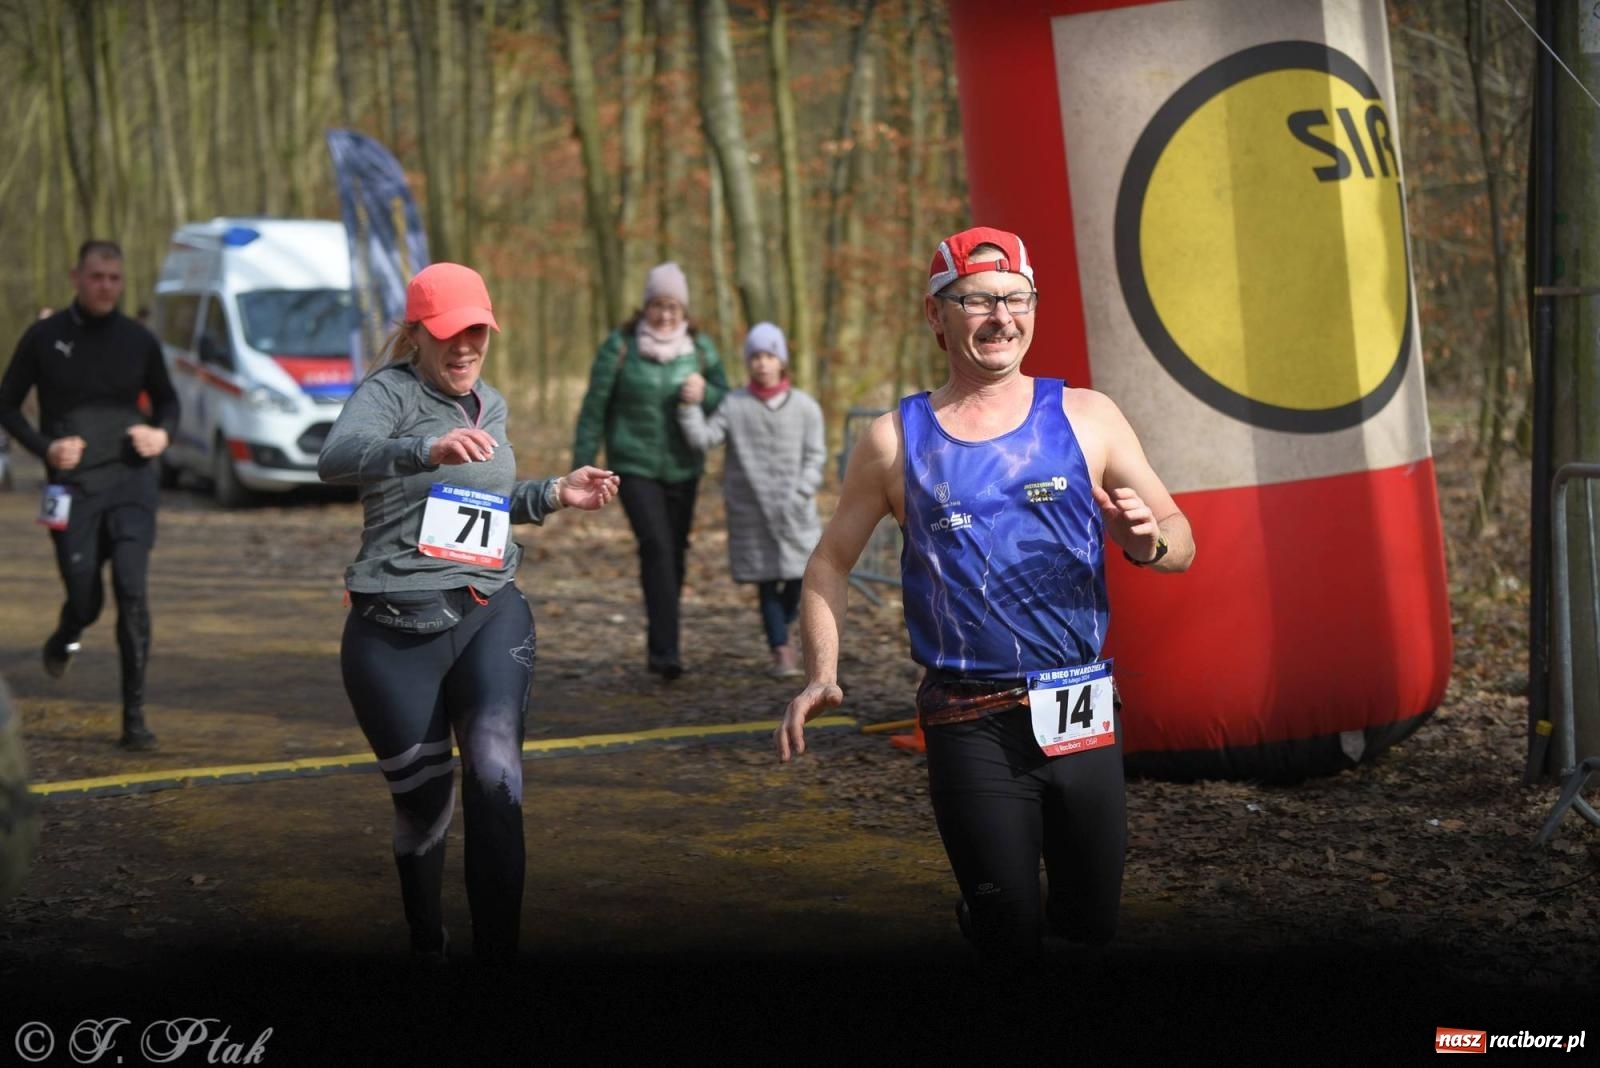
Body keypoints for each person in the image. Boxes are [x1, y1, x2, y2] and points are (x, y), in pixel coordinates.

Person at [775, 226, 1195, 961]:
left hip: (1080, 713)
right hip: (969, 720)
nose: (1002, 316)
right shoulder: (894, 441)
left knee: (1088, 929)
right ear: (936, 315)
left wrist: (1145, 543)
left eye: (1016, 298)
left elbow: (1179, 541)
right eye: (976, 300)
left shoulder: (1087, 416)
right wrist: (822, 672)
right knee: (1011, 934)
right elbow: (828, 564)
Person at [318, 263, 619, 961]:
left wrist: (553, 493)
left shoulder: (491, 403)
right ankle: (428, 937)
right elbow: (335, 459)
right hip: (394, 630)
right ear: (417, 334)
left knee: (495, 772)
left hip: (488, 609)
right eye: (450, 335)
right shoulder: (388, 393)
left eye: (476, 334)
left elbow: (480, 505)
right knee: (424, 806)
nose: (464, 349)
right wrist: (423, 447)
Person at [0, 242, 179, 751]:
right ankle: (66, 635)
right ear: (76, 276)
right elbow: (7, 405)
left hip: (131, 479)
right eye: (97, 276)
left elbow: (168, 402)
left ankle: (135, 717)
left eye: (115, 278)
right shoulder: (43, 337)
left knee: (131, 589)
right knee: (85, 598)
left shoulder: (138, 340)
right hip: (70, 487)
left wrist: (161, 435)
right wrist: (45, 448)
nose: (106, 286)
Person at [572, 262, 729, 680]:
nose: (664, 315)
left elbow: (727, 400)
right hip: (633, 463)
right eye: (657, 305)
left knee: (674, 553)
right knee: (657, 545)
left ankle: (666, 635)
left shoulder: (701, 349)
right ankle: (665, 651)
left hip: (684, 466)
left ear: (684, 310)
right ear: (644, 307)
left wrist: (706, 392)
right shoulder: (619, 346)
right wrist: (583, 465)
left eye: (672, 307)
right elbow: (594, 409)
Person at [677, 322, 824, 678]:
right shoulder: (734, 404)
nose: (762, 363)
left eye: (769, 355)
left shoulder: (805, 407)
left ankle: (788, 626)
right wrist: (688, 407)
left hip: (795, 514)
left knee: (799, 577)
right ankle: (781, 649)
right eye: (755, 356)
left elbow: (815, 454)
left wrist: (803, 489)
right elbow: (704, 438)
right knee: (765, 582)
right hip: (751, 513)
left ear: (781, 361)